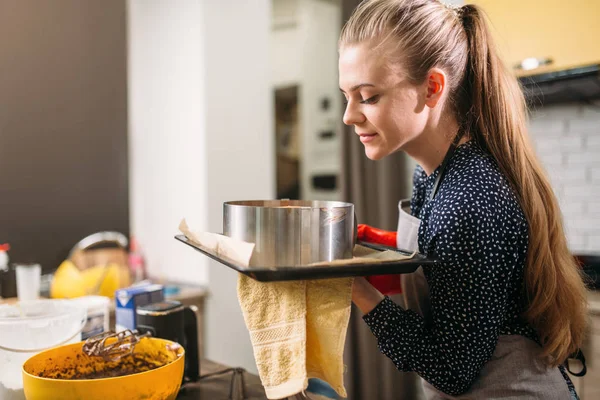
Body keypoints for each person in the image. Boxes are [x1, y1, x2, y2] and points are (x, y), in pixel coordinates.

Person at [338, 0, 589, 398]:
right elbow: (440, 264)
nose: (349, 116)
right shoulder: (434, 173)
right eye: (346, 96)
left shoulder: (469, 201)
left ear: (432, 88)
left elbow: (451, 369)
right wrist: (363, 249)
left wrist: (355, 287)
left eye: (367, 97)